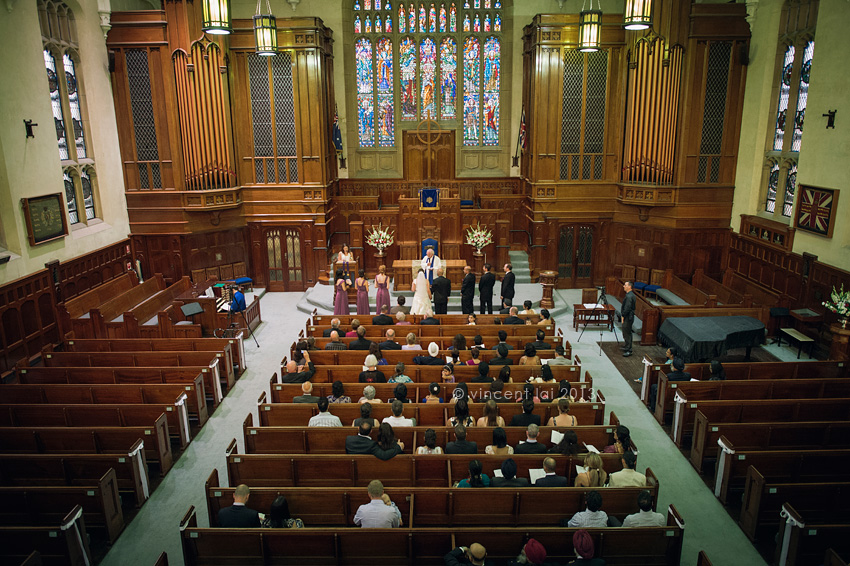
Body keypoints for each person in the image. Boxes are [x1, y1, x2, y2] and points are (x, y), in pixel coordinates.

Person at [620, 281, 636, 357]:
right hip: (628, 316)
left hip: (628, 317)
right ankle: (627, 346)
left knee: (627, 333)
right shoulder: (629, 295)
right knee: (625, 332)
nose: (623, 286)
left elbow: (627, 308)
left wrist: (623, 315)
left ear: (629, 287)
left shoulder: (629, 296)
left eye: (625, 285)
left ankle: (629, 350)